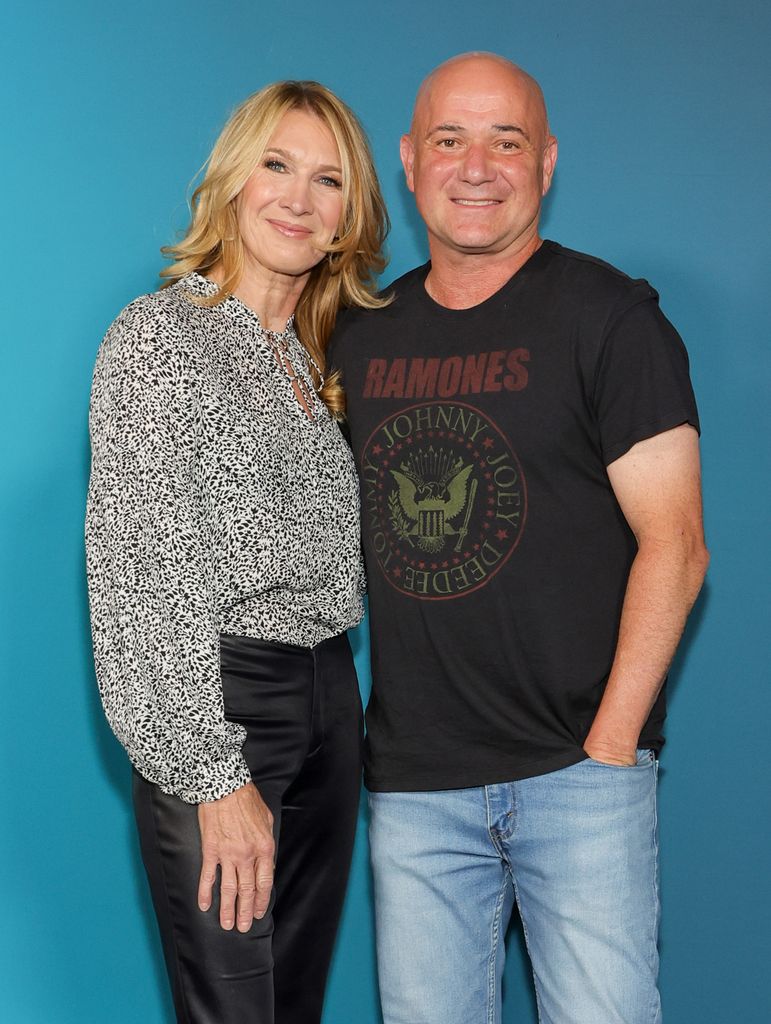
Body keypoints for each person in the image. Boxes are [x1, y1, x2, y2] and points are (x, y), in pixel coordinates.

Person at [329, 53, 709, 1024]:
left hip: (580, 776)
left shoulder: (611, 319)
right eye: (450, 140)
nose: (478, 165)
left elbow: (678, 543)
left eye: (507, 141)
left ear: (546, 161)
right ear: (412, 163)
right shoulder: (361, 338)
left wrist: (611, 744)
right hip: (416, 789)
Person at [85, 80, 388, 1024]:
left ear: (348, 218)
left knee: (290, 1010)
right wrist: (215, 775)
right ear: (231, 181)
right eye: (277, 165)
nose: (298, 199)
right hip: (222, 704)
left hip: (330, 705)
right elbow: (144, 580)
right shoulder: (161, 337)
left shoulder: (309, 361)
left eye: (327, 180)